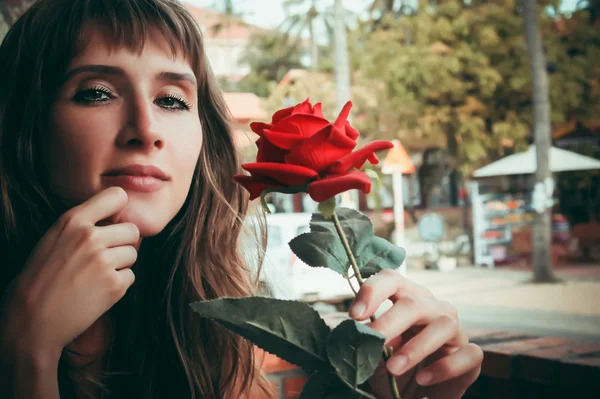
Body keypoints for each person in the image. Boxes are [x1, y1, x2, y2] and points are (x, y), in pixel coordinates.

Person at [0, 0, 483, 398]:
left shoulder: (208, 327)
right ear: (24, 125)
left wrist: (407, 389)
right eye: (98, 92)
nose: (146, 131)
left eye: (171, 100)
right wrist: (27, 354)